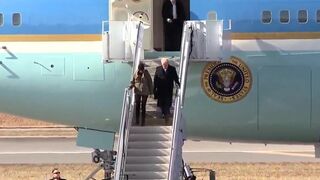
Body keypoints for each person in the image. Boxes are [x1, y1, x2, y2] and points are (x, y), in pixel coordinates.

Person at [153, 58, 180, 125]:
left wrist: (179, 84)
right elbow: (155, 79)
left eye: (165, 64)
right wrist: (154, 89)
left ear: (168, 63)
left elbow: (175, 78)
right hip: (160, 90)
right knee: (161, 105)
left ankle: (167, 119)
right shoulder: (158, 69)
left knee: (167, 105)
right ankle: (164, 113)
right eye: (163, 64)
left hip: (168, 90)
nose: (164, 65)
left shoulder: (172, 69)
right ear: (161, 64)